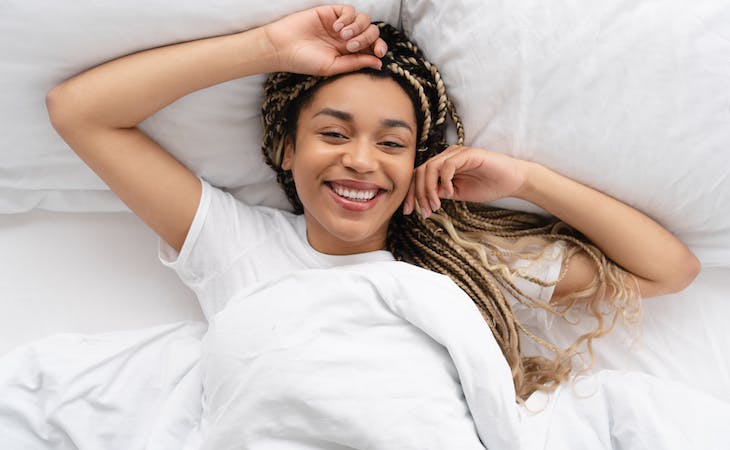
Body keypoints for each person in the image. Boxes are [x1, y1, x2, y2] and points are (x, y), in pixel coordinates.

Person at [46, 1, 698, 415]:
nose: (362, 160)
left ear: (417, 160)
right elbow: (81, 112)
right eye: (333, 134)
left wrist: (524, 179)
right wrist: (268, 46)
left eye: (392, 143)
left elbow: (668, 270)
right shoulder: (238, 244)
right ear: (284, 147)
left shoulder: (464, 265)